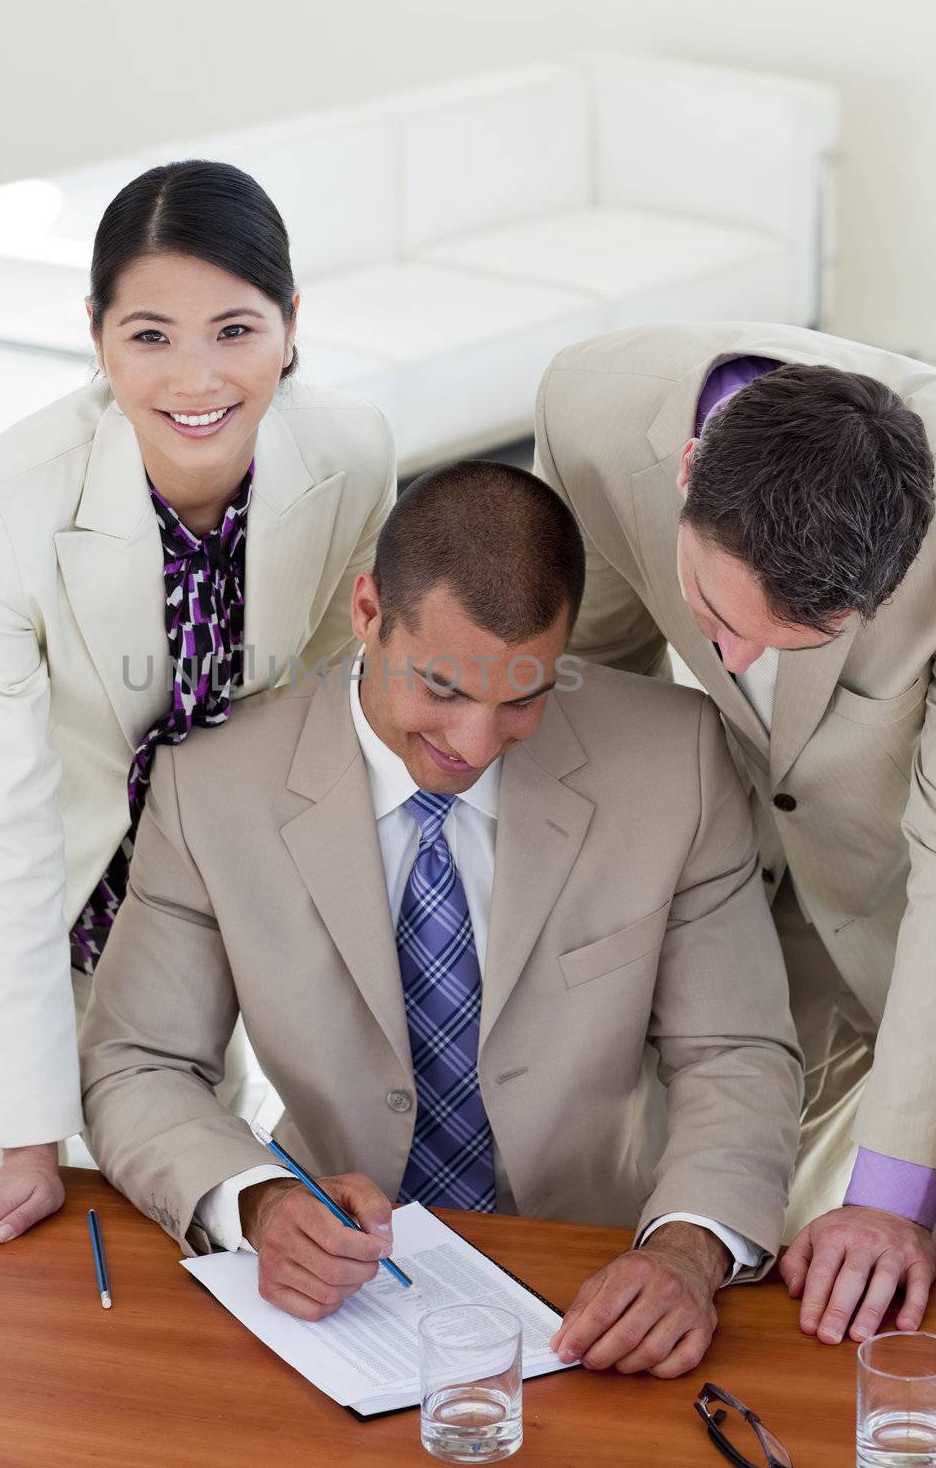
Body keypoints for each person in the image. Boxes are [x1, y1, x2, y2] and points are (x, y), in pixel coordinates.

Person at [80, 461, 803, 1379]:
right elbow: (139, 1059)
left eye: (524, 699)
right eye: (444, 689)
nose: (472, 746)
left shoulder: (677, 760)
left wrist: (688, 1250)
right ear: (370, 610)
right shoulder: (211, 784)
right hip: (335, 1290)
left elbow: (734, 1050)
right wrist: (257, 1203)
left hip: (592, 1269)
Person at [0, 160, 396, 1268]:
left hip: (172, 881)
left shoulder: (350, 455)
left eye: (234, 329)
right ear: (94, 335)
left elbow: (320, 720)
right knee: (10, 1234)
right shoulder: (8, 501)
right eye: (149, 336)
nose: (195, 378)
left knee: (192, 1191)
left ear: (289, 325)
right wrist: (31, 1135)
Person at [532, 320, 936, 1348]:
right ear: (685, 470)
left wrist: (891, 1198)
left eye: (788, 644)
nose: (730, 658)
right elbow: (590, 692)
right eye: (718, 618)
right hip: (764, 893)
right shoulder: (591, 409)